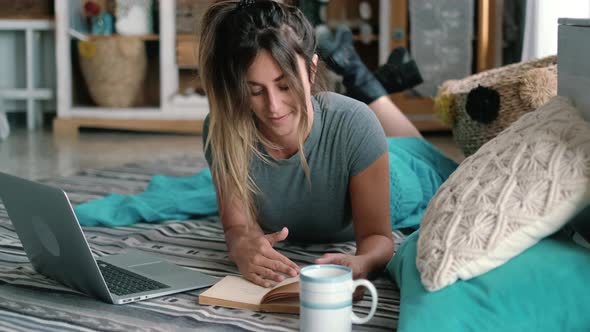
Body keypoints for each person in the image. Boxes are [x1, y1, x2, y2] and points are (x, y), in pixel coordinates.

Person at [198, 0, 446, 289]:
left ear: (312, 71)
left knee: (418, 148)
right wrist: (242, 246)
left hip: (405, 177)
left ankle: (363, 81)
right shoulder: (222, 131)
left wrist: (364, 262)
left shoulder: (354, 123)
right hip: (357, 140)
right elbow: (238, 228)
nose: (274, 107)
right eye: (254, 91)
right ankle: (363, 79)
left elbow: (378, 239)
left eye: (285, 85)